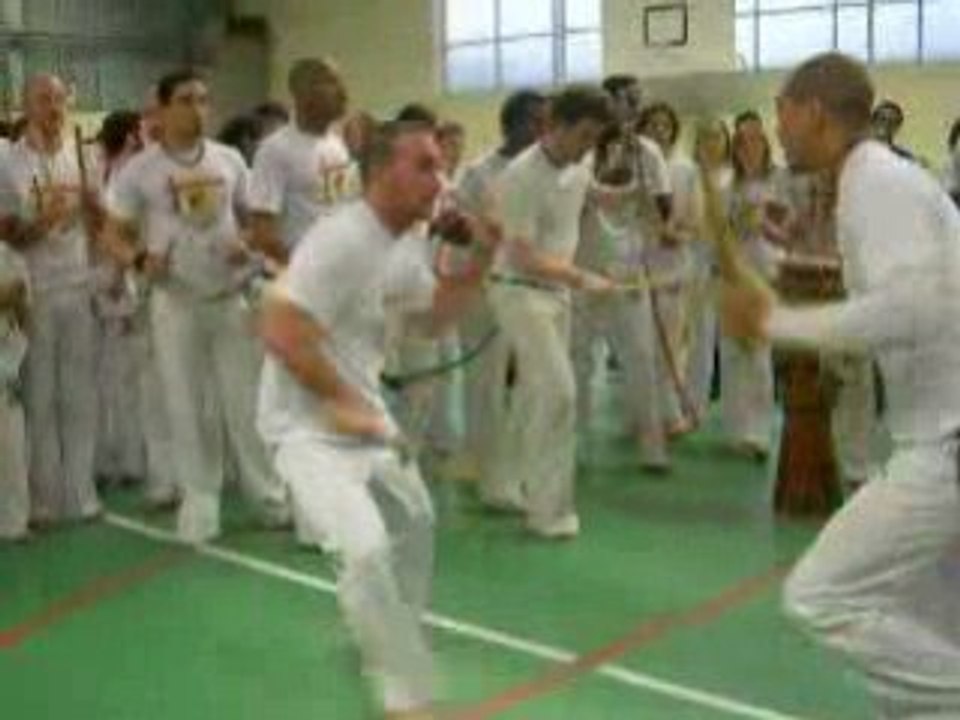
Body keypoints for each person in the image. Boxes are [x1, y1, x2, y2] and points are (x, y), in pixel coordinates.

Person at [721, 51, 960, 718]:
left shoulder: (875, 183)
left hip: (945, 442)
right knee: (923, 618)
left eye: (783, 113)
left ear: (813, 113)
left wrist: (776, 325)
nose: (779, 128)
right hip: (935, 430)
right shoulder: (878, 179)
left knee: (823, 595)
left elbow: (910, 310)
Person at [257, 120, 500, 719]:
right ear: (381, 171)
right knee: (364, 548)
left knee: (416, 519)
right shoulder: (340, 239)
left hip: (362, 416)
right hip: (302, 428)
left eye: (441, 166)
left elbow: (433, 319)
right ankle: (403, 688)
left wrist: (480, 258)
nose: (439, 179)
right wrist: (340, 401)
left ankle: (392, 635)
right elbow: (282, 326)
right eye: (425, 165)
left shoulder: (403, 243)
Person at [103, 68, 288, 543]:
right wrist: (141, 258)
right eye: (186, 99)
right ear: (162, 110)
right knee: (185, 406)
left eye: (204, 99)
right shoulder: (139, 170)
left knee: (245, 402)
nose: (198, 108)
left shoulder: (229, 160)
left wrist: (247, 244)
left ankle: (267, 495)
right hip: (176, 301)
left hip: (230, 298)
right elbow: (113, 234)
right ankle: (200, 501)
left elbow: (254, 220)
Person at [487, 84, 616, 538]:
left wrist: (637, 195)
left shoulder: (580, 169)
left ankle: (501, 485)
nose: (587, 147)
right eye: (582, 135)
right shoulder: (520, 176)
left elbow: (591, 198)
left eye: (594, 139)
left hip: (554, 294)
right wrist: (582, 278)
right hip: (519, 292)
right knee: (559, 394)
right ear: (554, 125)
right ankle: (549, 512)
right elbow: (520, 253)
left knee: (531, 396)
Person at [0, 73, 101, 527]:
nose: (54, 107)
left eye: (61, 98)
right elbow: (7, 235)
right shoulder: (9, 163)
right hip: (35, 290)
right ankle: (43, 499)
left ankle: (82, 494)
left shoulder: (83, 155)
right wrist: (43, 220)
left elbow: (97, 219)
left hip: (78, 286)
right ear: (26, 106)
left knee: (79, 396)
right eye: (44, 99)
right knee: (39, 398)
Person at [454, 89, 547, 497]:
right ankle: (490, 475)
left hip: (531, 290)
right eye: (537, 122)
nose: (544, 131)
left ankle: (516, 467)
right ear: (515, 125)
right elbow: (467, 233)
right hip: (486, 290)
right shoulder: (479, 173)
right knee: (486, 384)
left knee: (530, 383)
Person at [248, 58, 352, 264]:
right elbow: (262, 233)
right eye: (331, 83)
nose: (343, 93)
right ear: (303, 94)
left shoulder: (337, 146)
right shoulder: (275, 150)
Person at [0, 237, 29, 541]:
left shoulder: (10, 257)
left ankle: (14, 523)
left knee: (11, 446)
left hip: (6, 362)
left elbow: (23, 308)